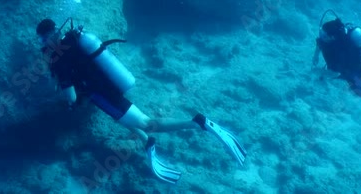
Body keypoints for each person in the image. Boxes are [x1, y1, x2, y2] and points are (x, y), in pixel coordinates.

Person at [36, 18, 246, 184]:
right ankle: (148, 143)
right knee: (125, 121)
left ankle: (198, 122)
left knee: (147, 123)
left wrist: (69, 103)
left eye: (42, 40)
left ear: (46, 38)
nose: (43, 45)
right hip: (110, 86)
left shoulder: (59, 61)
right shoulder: (73, 39)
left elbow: (71, 96)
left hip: (104, 95)